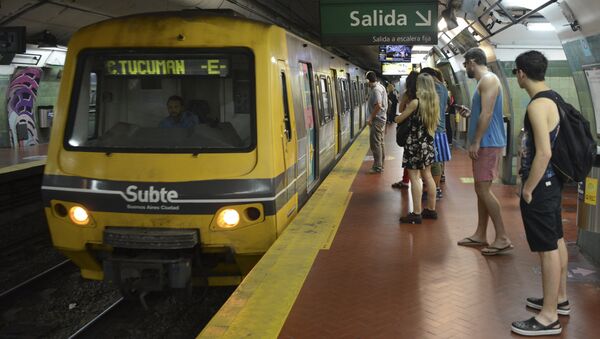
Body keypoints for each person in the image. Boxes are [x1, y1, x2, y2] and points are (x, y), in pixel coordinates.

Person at [510, 51, 567, 337]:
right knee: (556, 240)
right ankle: (558, 299)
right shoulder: (555, 97)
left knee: (546, 250)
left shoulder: (536, 106)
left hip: (541, 186)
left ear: (521, 73)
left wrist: (528, 189)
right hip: (554, 183)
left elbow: (543, 152)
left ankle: (548, 317)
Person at [456, 47, 513, 254]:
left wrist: (476, 141)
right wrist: (471, 114)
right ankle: (481, 233)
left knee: (483, 190)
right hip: (486, 141)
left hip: (488, 142)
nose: (466, 69)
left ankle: (502, 237)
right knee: (480, 190)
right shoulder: (484, 82)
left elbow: (488, 114)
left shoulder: (488, 80)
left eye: (465, 65)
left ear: (472, 62)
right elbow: (482, 113)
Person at [395, 73, 438, 224]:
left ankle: (417, 212)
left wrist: (396, 117)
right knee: (428, 176)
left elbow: (399, 118)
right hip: (428, 144)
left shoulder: (415, 103)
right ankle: (431, 210)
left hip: (414, 145)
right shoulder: (433, 102)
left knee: (414, 178)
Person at [420, 67, 450, 200]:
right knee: (435, 161)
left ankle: (435, 189)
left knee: (434, 162)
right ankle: (434, 188)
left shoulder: (437, 88)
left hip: (435, 129)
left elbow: (432, 108)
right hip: (439, 129)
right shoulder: (442, 87)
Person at [391, 71, 418, 189]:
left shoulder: (408, 94)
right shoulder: (424, 95)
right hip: (422, 132)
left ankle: (406, 181)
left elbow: (401, 110)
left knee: (409, 156)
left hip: (409, 130)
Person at [366, 71, 388, 173]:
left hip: (377, 120)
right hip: (382, 119)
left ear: (368, 80)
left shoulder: (375, 90)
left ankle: (377, 167)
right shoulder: (381, 87)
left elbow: (378, 105)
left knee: (375, 143)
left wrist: (370, 117)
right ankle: (381, 164)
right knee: (380, 143)